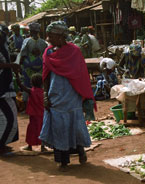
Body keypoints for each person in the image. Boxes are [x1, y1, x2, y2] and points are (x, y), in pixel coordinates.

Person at [39, 21, 94, 170]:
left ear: (60, 36)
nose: (48, 38)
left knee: (74, 126)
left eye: (51, 35)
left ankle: (81, 152)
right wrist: (45, 95)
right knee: (59, 128)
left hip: (72, 96)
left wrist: (84, 95)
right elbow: (46, 76)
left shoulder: (74, 51)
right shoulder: (48, 52)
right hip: (55, 95)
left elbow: (81, 75)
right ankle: (63, 161)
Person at [0, 24, 21, 149]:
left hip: (6, 84)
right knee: (6, 116)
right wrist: (11, 65)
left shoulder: (4, 46)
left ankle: (4, 142)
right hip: (2, 86)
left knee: (9, 116)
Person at [15, 73, 46, 152]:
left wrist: (17, 76)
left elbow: (21, 85)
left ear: (31, 83)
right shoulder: (44, 92)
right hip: (42, 115)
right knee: (42, 130)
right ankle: (43, 147)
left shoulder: (31, 91)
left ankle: (29, 146)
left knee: (31, 131)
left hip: (33, 115)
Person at [19, 22, 48, 103]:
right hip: (40, 67)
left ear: (30, 32)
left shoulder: (26, 41)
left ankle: (27, 102)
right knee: (39, 84)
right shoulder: (43, 42)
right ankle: (40, 101)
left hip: (28, 68)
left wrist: (19, 65)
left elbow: (23, 54)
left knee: (27, 84)